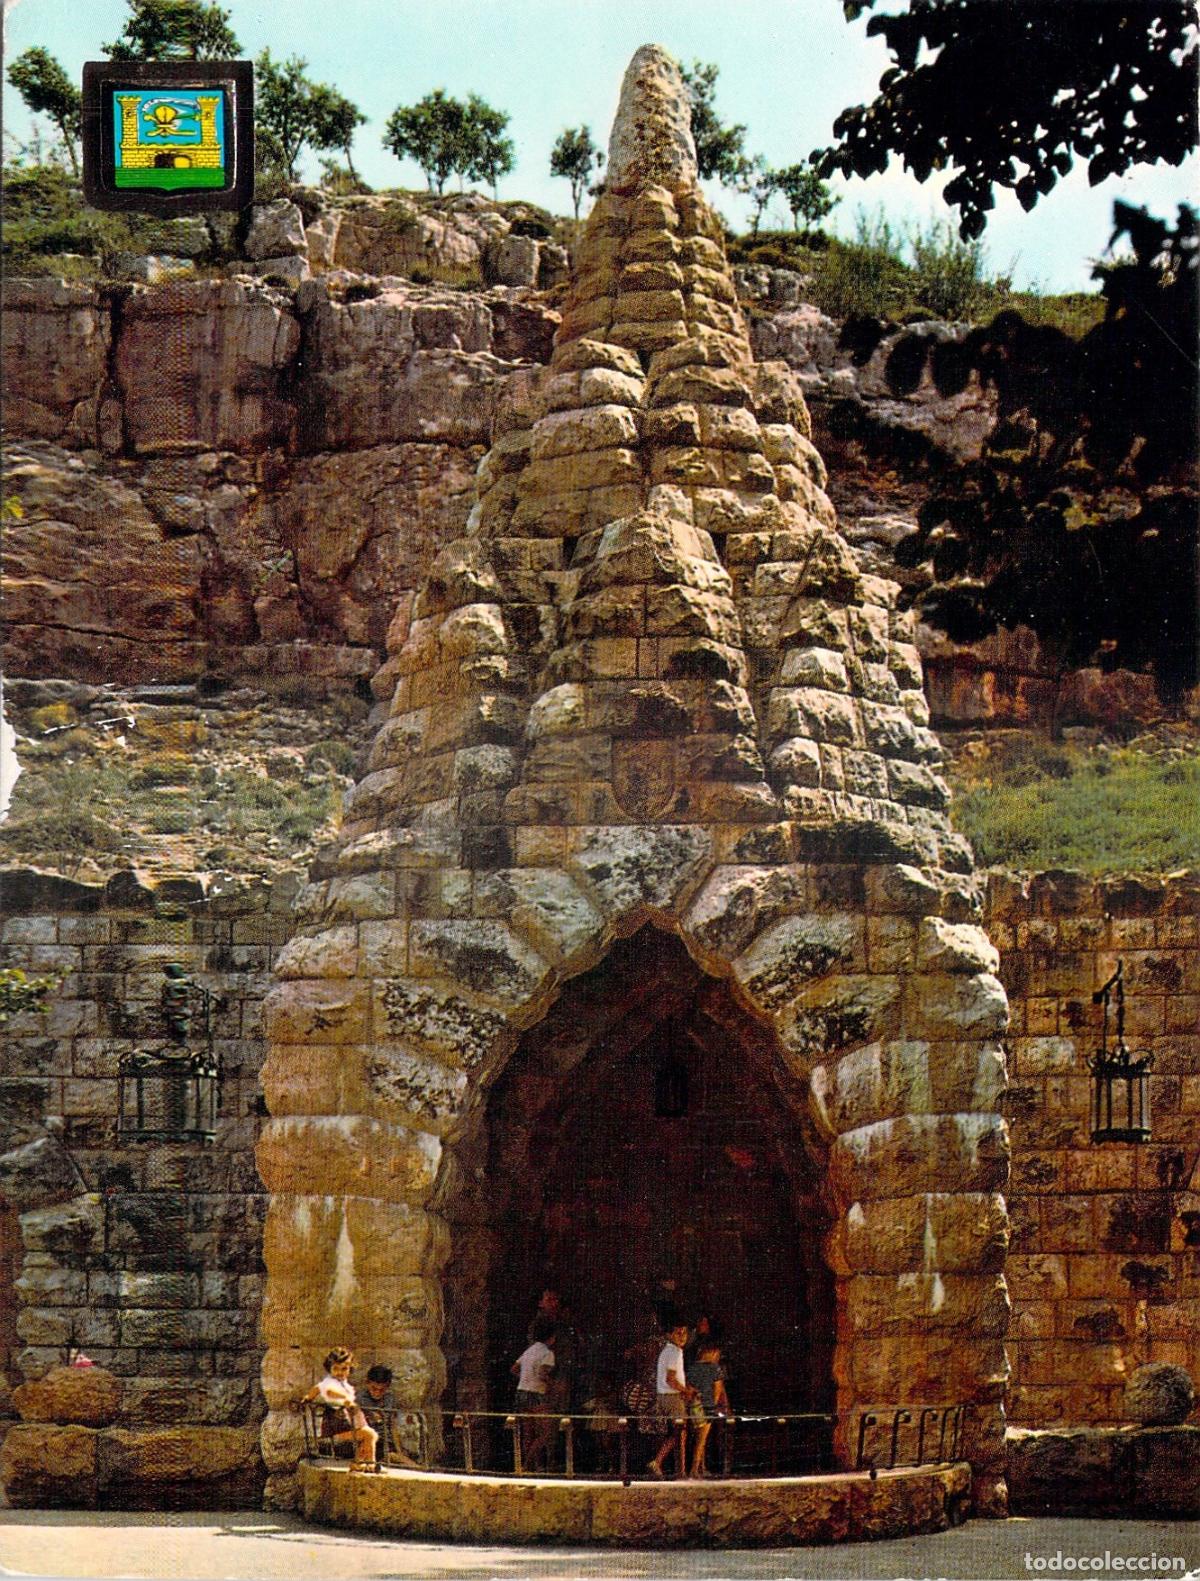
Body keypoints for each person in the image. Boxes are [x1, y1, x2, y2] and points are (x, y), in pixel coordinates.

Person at [299, 1346, 378, 1470]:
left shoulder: (345, 1384)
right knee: (370, 1435)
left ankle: (359, 1463)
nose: (340, 1372)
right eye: (336, 1368)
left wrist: (309, 1396)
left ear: (349, 1369)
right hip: (338, 1424)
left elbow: (317, 1389)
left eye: (344, 1368)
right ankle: (371, 1463)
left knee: (370, 1436)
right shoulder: (330, 1382)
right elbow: (328, 1391)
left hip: (350, 1421)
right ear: (329, 1368)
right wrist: (345, 1399)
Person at [646, 1320, 696, 1478]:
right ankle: (664, 1464)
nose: (682, 1337)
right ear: (670, 1335)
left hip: (666, 1395)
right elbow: (671, 1379)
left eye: (685, 1333)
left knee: (678, 1432)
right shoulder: (675, 1352)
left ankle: (679, 1469)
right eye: (678, 1333)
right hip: (671, 1396)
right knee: (680, 1432)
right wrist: (686, 1390)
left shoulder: (668, 1351)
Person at [511, 1315, 557, 1471]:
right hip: (537, 1394)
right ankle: (527, 1464)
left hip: (521, 1391)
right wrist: (553, 1386)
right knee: (546, 1432)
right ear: (551, 1337)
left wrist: (525, 1378)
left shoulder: (529, 1351)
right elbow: (543, 1374)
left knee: (528, 1432)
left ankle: (531, 1466)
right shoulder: (547, 1353)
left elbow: (514, 1369)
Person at [360, 1364, 419, 1469]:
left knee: (397, 1456)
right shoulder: (360, 1399)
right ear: (367, 1383)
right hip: (369, 1442)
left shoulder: (389, 1399)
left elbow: (392, 1425)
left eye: (381, 1390)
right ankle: (421, 1469)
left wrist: (399, 1449)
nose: (377, 1393)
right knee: (391, 1456)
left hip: (387, 1442)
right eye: (374, 1388)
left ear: (387, 1386)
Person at [688, 1331, 730, 1478]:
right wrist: (715, 1406)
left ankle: (701, 1467)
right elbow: (717, 1391)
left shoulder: (692, 1368)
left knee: (698, 1439)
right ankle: (694, 1469)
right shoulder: (715, 1369)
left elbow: (689, 1387)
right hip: (708, 1406)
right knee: (702, 1440)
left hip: (694, 1405)